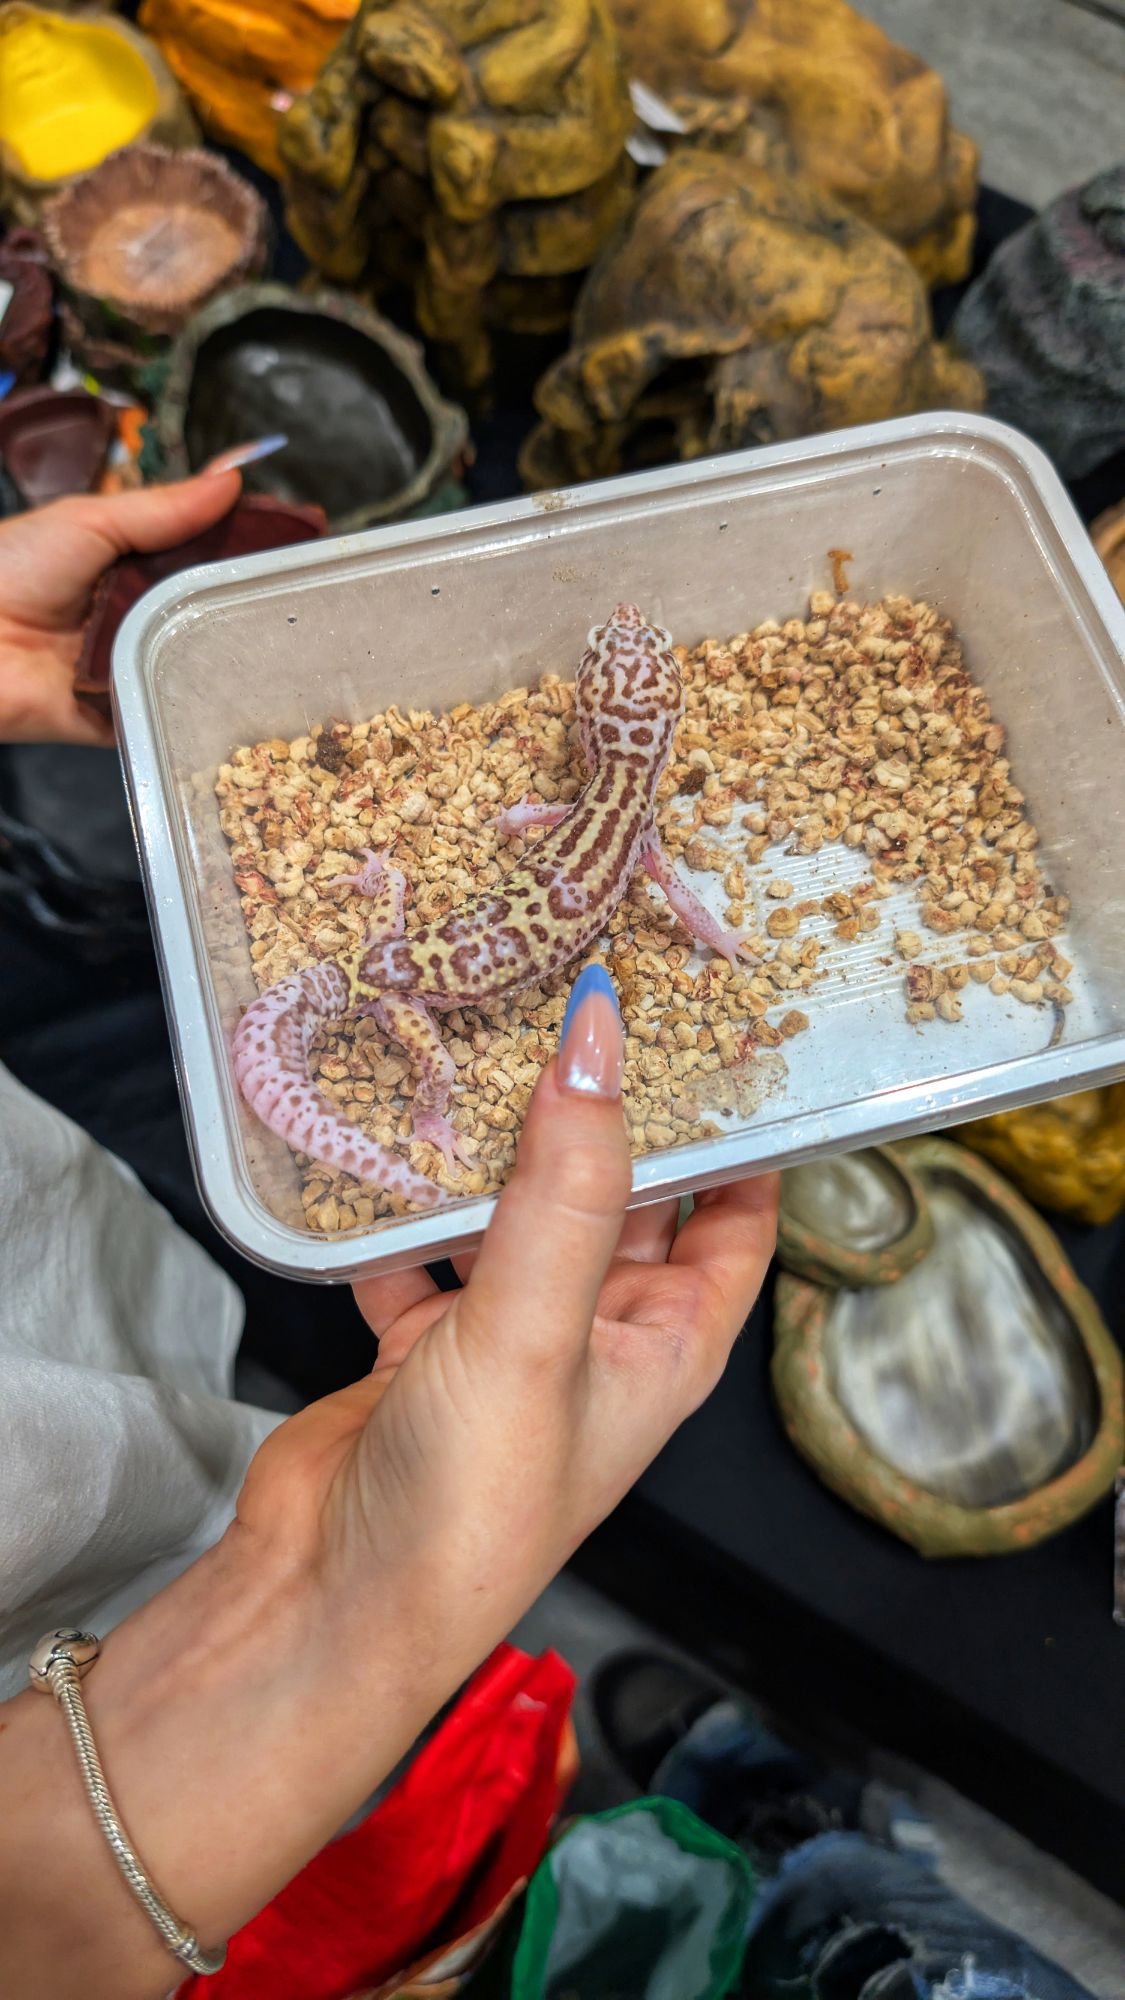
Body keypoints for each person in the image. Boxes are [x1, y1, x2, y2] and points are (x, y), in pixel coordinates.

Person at [0, 473, 778, 1996]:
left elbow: (542, 824)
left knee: (135, 1327)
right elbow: (655, 888)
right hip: (390, 988)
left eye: (622, 679)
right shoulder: (621, 830)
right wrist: (435, 1098)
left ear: (612, 731)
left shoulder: (592, 817)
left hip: (371, 971)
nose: (617, 669)